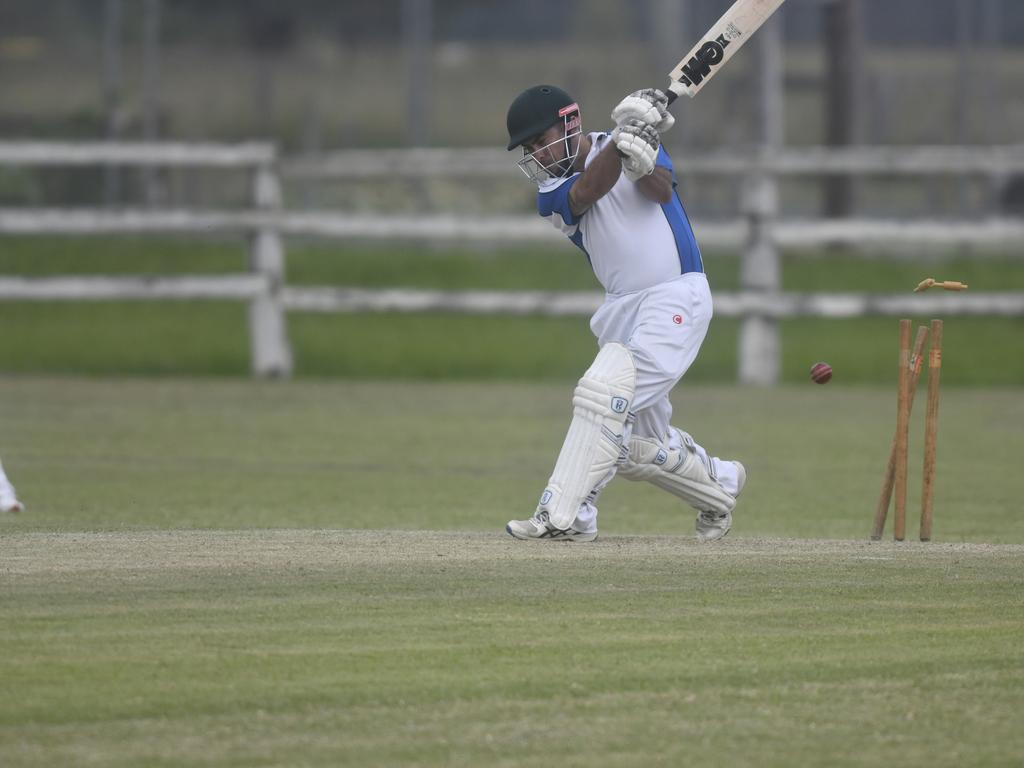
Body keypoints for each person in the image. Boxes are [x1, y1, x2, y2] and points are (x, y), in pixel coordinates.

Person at [503, 84, 744, 543]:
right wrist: (623, 138)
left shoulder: (630, 142)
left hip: (675, 295)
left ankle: (566, 514)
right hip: (621, 309)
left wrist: (643, 158)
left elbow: (660, 191)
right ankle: (720, 485)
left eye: (542, 139)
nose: (539, 153)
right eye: (531, 148)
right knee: (643, 446)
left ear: (570, 122)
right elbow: (590, 189)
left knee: (604, 401)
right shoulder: (551, 192)